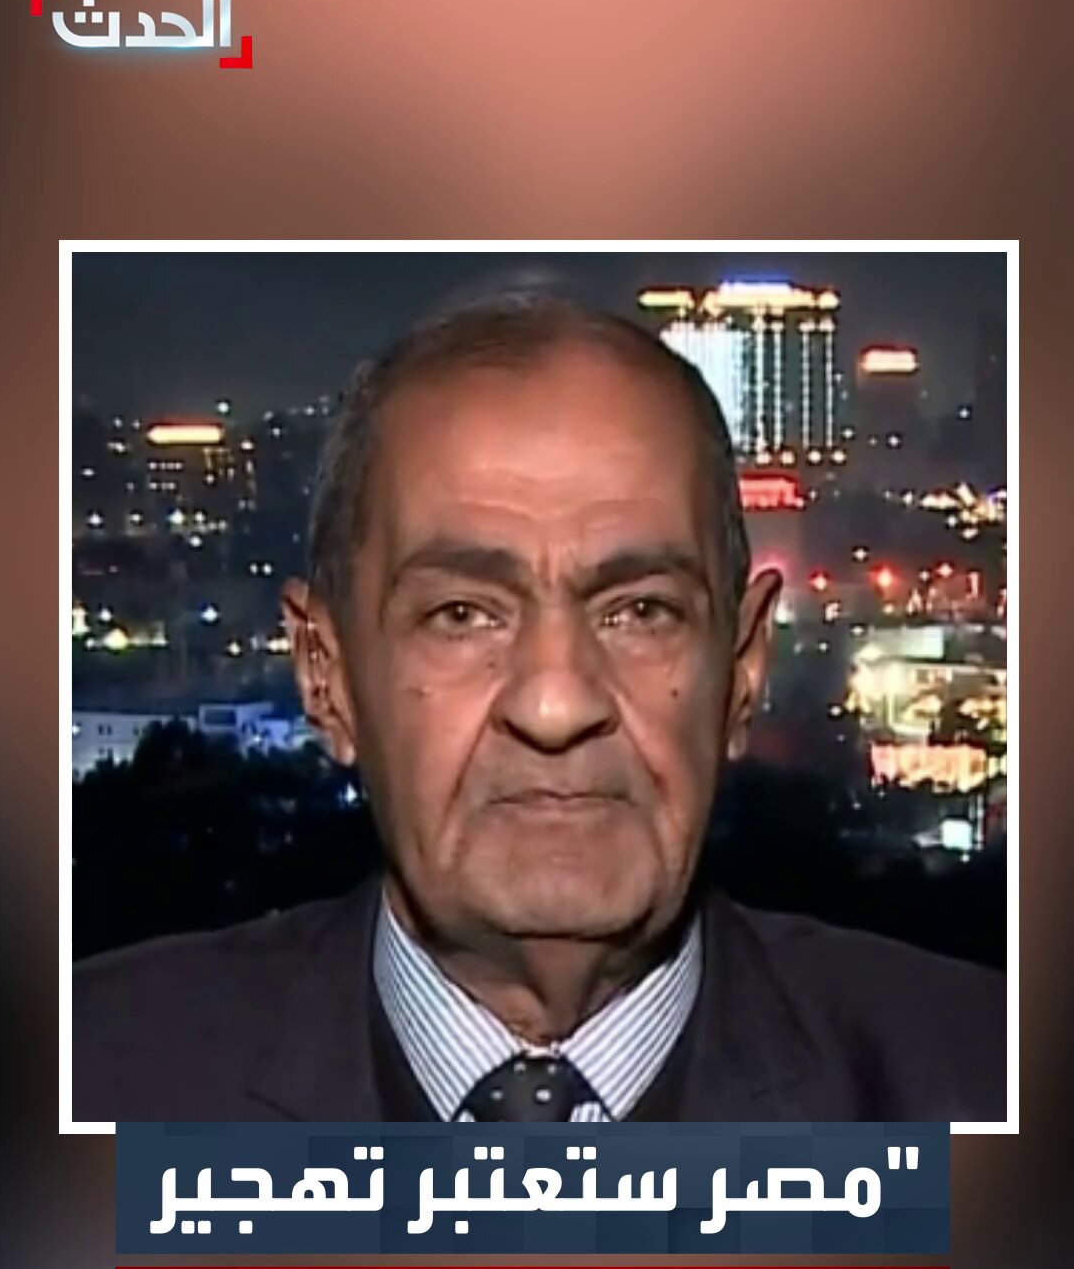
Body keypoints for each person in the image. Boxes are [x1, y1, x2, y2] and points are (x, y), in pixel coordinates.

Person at [73, 294, 1006, 1123]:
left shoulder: (987, 1083)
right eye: (461, 615)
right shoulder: (86, 1085)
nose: (556, 705)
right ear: (326, 676)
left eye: (641, 612)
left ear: (743, 668)